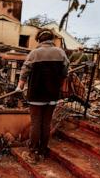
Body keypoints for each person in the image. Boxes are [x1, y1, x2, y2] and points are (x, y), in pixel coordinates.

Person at [17, 29, 69, 161]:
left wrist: (20, 86)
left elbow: (24, 71)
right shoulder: (61, 53)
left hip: (36, 93)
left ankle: (33, 150)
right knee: (46, 123)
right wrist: (61, 87)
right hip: (52, 94)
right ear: (51, 39)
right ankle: (43, 150)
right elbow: (65, 72)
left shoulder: (34, 53)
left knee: (36, 123)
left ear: (39, 40)